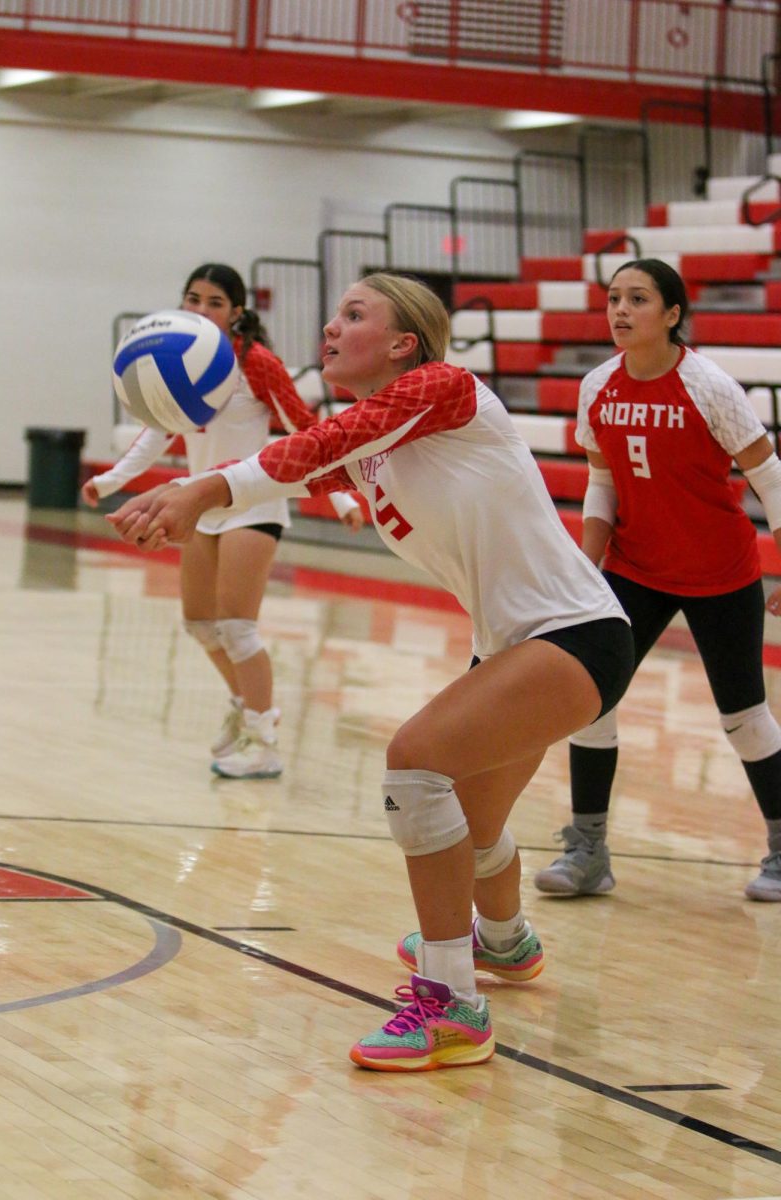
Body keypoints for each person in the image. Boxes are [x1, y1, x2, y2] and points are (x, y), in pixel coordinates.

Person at [106, 272, 634, 1071]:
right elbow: (294, 466)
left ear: (402, 344)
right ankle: (504, 941)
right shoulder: (374, 447)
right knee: (476, 827)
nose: (330, 327)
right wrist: (180, 495)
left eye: (354, 315)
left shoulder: (446, 388)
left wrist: (208, 484)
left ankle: (452, 1006)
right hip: (519, 643)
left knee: (416, 765)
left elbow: (309, 447)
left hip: (576, 632)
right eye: (334, 314)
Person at [534, 257, 781, 903]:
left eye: (637, 299)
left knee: (745, 717)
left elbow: (769, 476)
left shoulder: (709, 385)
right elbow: (604, 479)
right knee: (591, 699)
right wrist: (585, 565)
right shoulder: (598, 387)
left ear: (672, 315)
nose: (620, 310)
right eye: (613, 297)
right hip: (636, 569)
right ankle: (588, 850)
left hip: (720, 572)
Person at [83, 262, 363, 779]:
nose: (201, 310)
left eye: (214, 302)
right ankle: (249, 707)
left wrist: (344, 500)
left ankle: (265, 740)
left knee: (236, 627)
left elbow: (307, 429)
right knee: (198, 624)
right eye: (193, 299)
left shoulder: (256, 363)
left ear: (236, 312)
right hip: (199, 505)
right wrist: (113, 480)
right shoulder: (177, 362)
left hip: (253, 504)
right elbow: (157, 432)